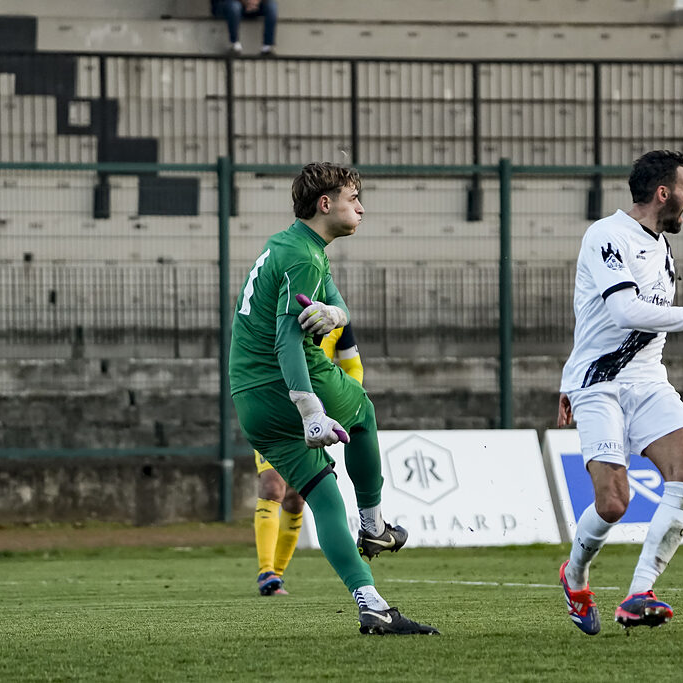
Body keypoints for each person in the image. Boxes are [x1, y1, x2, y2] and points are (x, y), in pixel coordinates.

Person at [230, 161, 437, 635]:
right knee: (363, 411)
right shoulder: (305, 257)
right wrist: (310, 409)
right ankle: (375, 526)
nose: (361, 208)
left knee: (323, 498)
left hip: (251, 403)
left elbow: (338, 305)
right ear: (325, 204)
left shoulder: (291, 245)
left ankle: (372, 605)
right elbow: (286, 341)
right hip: (285, 384)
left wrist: (334, 313)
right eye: (353, 199)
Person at [555, 150, 683, 636]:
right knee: (613, 504)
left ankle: (639, 593)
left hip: (648, 379)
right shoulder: (607, 235)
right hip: (598, 383)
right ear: (663, 192)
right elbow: (624, 312)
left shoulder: (661, 246)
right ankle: (574, 575)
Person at [253, 324, 365, 597]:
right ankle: (266, 571)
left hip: (316, 417)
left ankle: (277, 575)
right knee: (272, 486)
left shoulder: (337, 318)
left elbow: (354, 366)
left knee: (295, 499)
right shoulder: (280, 313)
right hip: (275, 411)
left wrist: (346, 398)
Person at [210, 0, 278, 56]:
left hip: (252, 5)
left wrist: (256, 1)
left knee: (272, 6)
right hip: (227, 4)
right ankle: (235, 45)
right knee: (234, 6)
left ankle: (267, 48)